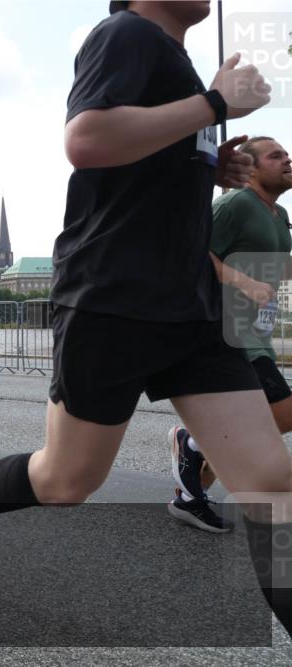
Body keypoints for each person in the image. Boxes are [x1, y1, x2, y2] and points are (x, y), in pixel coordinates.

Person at [0, 0, 292, 635]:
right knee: (66, 481)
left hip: (192, 308)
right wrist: (215, 104)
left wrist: (208, 163)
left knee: (271, 485)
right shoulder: (125, 34)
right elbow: (86, 140)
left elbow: (140, 167)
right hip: (113, 300)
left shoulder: (177, 64)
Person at [167, 136, 292, 532]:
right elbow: (193, 249)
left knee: (258, 421)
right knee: (281, 412)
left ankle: (190, 495)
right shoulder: (235, 204)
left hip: (256, 331)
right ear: (251, 168)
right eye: (276, 155)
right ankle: (193, 441)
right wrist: (242, 282)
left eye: (287, 154)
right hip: (224, 327)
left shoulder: (279, 214)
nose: (287, 159)